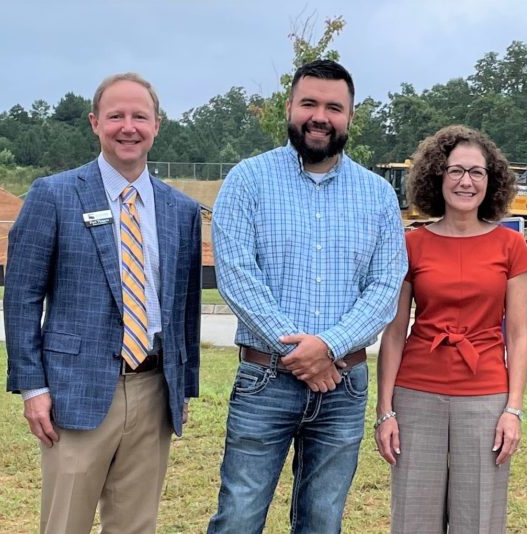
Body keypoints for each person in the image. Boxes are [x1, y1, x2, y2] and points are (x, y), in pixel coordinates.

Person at [207, 59, 407, 534]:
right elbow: (236, 277)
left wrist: (329, 348)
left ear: (350, 117)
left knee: (322, 519)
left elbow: (385, 288)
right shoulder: (247, 181)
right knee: (239, 515)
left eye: (334, 107)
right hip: (264, 379)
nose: (321, 116)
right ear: (289, 108)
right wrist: (300, 353)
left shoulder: (377, 195)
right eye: (309, 103)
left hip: (344, 386)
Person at [4, 72, 202, 533]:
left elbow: (185, 307)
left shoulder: (181, 210)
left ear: (157, 125)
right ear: (95, 123)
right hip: (75, 392)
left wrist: (183, 386)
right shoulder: (53, 195)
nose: (127, 127)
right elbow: (22, 298)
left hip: (154, 390)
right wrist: (33, 389)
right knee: (65, 523)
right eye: (116, 116)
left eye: (140, 116)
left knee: (135, 525)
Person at [374, 125, 527, 533]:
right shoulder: (411, 244)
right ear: (437, 176)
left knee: (478, 519)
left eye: (477, 172)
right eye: (455, 170)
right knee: (413, 518)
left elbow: (517, 335)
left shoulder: (511, 246)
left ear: (491, 180)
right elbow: (394, 332)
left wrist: (513, 409)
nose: (466, 181)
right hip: (416, 394)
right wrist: (384, 410)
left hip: (486, 397)